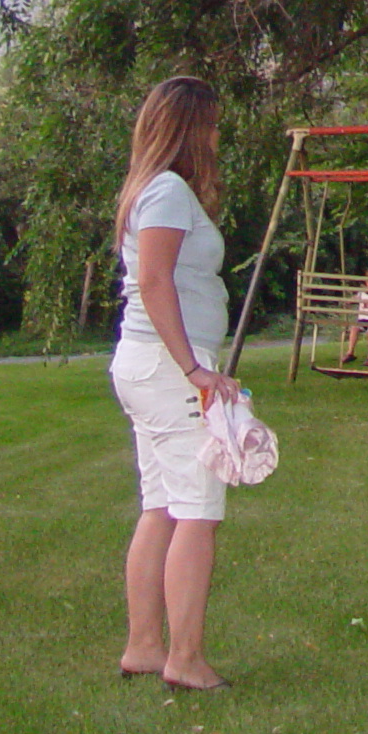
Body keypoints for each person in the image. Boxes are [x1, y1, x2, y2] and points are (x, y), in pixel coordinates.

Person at [108, 75, 244, 692]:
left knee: (160, 504)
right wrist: (194, 369)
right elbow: (156, 281)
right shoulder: (165, 191)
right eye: (210, 124)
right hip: (168, 370)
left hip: (147, 365)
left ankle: (143, 646)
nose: (216, 136)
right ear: (189, 129)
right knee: (197, 511)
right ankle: (184, 659)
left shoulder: (156, 190)